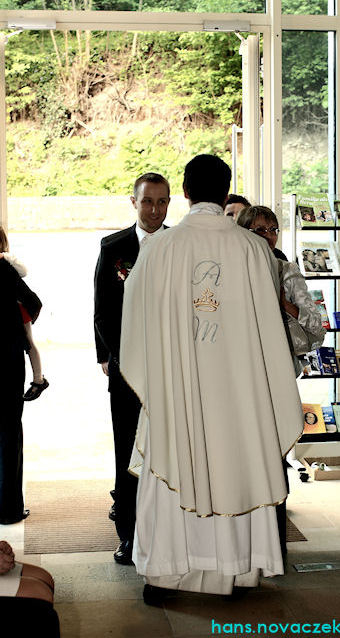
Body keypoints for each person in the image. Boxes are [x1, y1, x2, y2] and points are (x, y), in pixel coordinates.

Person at [120, 154, 303, 604]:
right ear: (225, 195)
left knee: (171, 472)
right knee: (233, 466)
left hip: (177, 394)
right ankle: (232, 572)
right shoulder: (253, 249)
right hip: (238, 396)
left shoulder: (160, 248)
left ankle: (164, 576)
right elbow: (267, 333)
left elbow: (135, 326)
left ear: (184, 192)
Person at [94, 172, 170, 565]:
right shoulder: (114, 248)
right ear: (133, 201)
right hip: (128, 371)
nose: (155, 210)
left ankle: (170, 531)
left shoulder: (180, 244)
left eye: (162, 202)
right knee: (127, 453)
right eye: (147, 202)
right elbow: (103, 311)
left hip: (174, 371)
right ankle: (129, 535)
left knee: (169, 452)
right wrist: (110, 357)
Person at [236, 205, 325, 365]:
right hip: (242, 357)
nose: (268, 236)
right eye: (260, 230)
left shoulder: (287, 270)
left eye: (273, 230)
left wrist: (284, 305)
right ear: (243, 233)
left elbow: (316, 324)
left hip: (281, 359)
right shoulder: (231, 271)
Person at [0, 253, 42, 524]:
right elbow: (34, 303)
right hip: (7, 360)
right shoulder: (4, 269)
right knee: (8, 434)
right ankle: (9, 509)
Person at [0, 228, 49, 402]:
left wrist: (5, 256)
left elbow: (24, 271)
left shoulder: (7, 260)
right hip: (16, 309)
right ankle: (39, 380)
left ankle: (39, 379)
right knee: (28, 343)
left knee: (29, 344)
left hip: (19, 310)